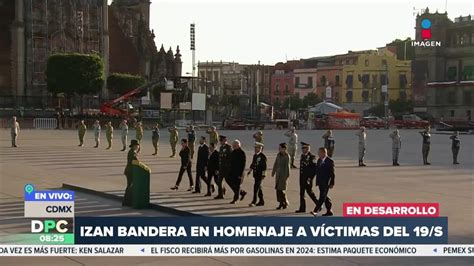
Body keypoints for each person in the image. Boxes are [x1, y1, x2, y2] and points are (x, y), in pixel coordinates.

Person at [311, 147, 335, 217]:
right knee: (325, 197)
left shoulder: (330, 161)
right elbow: (316, 171)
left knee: (322, 197)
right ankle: (329, 210)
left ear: (324, 153)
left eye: (319, 153)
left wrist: (332, 183)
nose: (318, 154)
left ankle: (316, 211)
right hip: (320, 182)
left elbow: (332, 174)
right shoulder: (319, 160)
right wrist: (311, 178)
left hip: (326, 182)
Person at [296, 142, 318, 213]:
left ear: (308, 149)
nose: (303, 150)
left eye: (304, 148)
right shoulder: (303, 156)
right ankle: (302, 208)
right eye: (302, 148)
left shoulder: (312, 157)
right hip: (302, 178)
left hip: (308, 178)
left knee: (309, 192)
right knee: (302, 193)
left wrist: (310, 178)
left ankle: (318, 204)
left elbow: (314, 169)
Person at [247, 142, 267, 207]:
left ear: (260, 148)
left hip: (260, 175)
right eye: (255, 148)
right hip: (255, 174)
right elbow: (253, 164)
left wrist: (263, 175)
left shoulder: (263, 156)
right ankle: (261, 201)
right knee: (259, 188)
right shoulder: (255, 155)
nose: (255, 149)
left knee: (256, 188)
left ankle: (254, 201)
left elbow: (264, 167)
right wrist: (250, 170)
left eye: (257, 148)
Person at [272, 143, 291, 210]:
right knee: (278, 190)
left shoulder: (287, 156)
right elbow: (276, 163)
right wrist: (273, 171)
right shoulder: (278, 155)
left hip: (283, 175)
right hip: (278, 175)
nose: (279, 149)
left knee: (282, 190)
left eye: (280, 148)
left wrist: (286, 176)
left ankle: (284, 202)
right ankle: (281, 203)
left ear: (284, 149)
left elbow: (287, 167)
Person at [123, 139, 140, 206]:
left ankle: (127, 201)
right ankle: (127, 201)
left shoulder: (132, 151)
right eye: (137, 145)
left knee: (129, 186)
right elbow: (136, 161)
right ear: (134, 146)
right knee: (129, 186)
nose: (138, 146)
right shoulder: (132, 152)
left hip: (129, 171)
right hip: (130, 171)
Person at [229, 140, 247, 204]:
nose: (233, 147)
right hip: (233, 172)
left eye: (235, 146)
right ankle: (242, 192)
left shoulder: (242, 153)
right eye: (233, 145)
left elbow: (243, 165)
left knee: (237, 186)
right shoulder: (233, 152)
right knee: (232, 183)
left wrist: (241, 174)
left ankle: (236, 199)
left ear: (239, 145)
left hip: (239, 173)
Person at [215, 135, 231, 199]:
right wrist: (218, 168)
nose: (220, 142)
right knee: (219, 181)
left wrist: (229, 167)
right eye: (220, 140)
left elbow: (229, 158)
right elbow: (220, 158)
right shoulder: (221, 147)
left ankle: (241, 192)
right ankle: (220, 194)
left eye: (221, 140)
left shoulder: (228, 147)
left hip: (226, 168)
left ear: (225, 140)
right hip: (221, 167)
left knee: (230, 182)